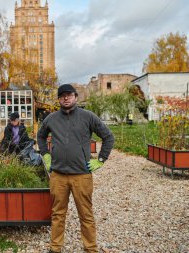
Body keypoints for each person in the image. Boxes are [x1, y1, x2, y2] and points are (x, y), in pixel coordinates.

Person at [37, 84, 114, 253]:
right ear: (58, 99)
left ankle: (90, 248)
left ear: (75, 97)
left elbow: (108, 137)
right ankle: (55, 248)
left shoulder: (88, 117)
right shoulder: (51, 119)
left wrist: (101, 159)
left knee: (85, 214)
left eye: (69, 95)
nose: (66, 98)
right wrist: (45, 154)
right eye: (62, 95)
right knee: (58, 214)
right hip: (58, 176)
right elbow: (40, 136)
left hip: (81, 176)